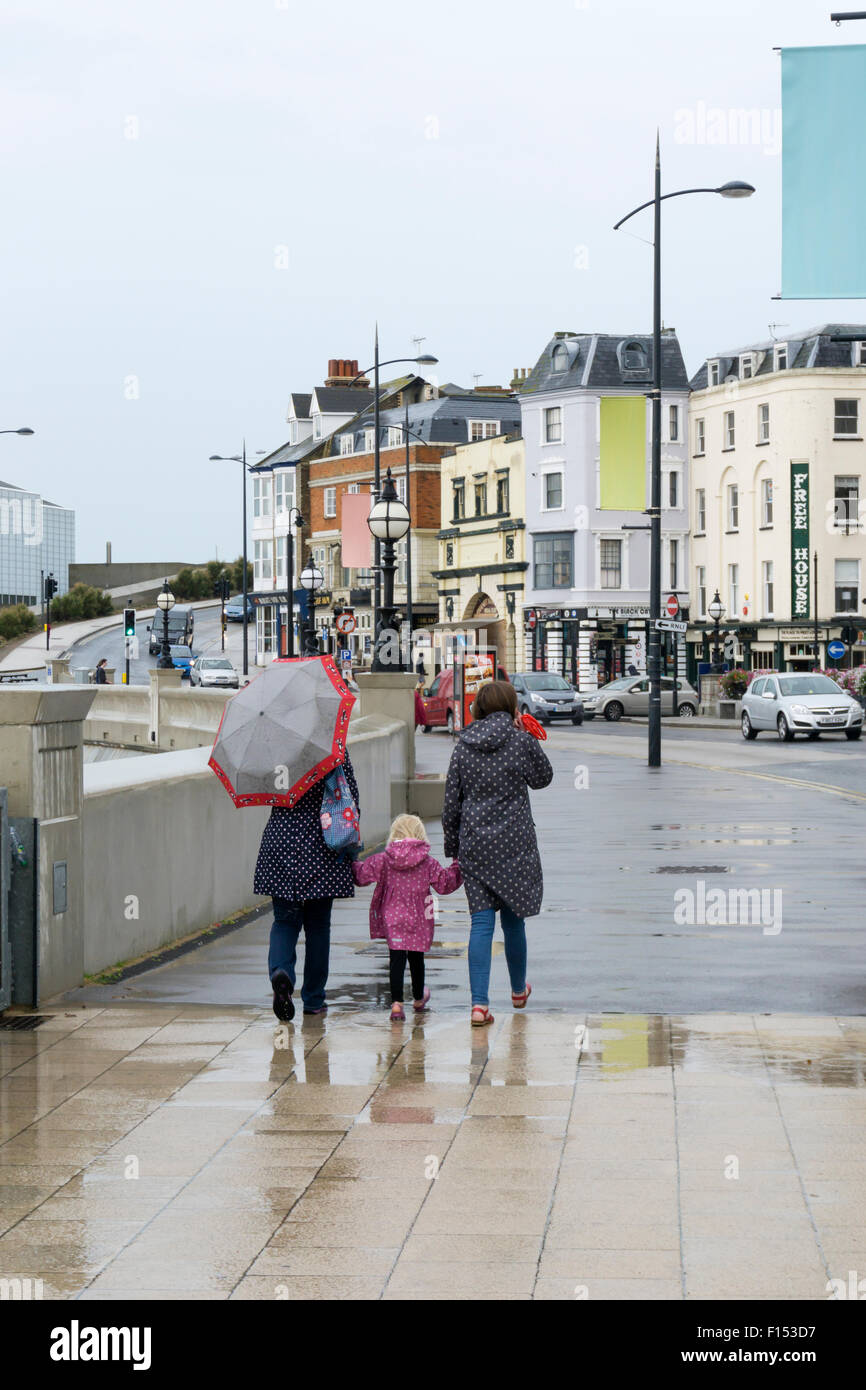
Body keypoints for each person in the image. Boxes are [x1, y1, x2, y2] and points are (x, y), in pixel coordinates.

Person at [442, 680, 553, 1027]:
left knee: (481, 923)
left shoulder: (463, 746)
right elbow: (543, 778)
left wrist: (453, 848)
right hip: (514, 845)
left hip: (475, 845)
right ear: (510, 706)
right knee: (513, 919)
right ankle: (518, 990)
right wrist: (529, 737)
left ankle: (479, 1006)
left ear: (478, 708)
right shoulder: (519, 741)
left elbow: (450, 803)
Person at [253, 751, 359, 1021]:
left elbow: (264, 789)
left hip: (281, 841)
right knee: (318, 926)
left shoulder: (277, 748)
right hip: (322, 844)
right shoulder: (332, 748)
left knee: (284, 921)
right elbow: (351, 795)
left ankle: (282, 973)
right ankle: (313, 999)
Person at [352, 814, 462, 1021]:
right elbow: (445, 883)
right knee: (416, 958)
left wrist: (351, 858)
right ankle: (419, 999)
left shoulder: (385, 859)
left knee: (396, 959)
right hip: (418, 916)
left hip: (392, 916)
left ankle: (396, 1004)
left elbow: (362, 875)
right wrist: (457, 863)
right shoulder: (427, 862)